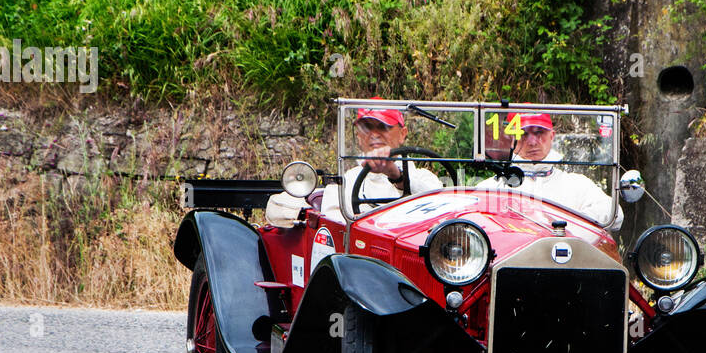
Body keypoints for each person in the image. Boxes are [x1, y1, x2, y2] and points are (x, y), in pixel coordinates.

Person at [265, 107, 443, 225]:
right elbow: (334, 227)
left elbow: (437, 207)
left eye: (382, 127)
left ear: (402, 134)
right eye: (366, 128)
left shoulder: (425, 178)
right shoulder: (346, 181)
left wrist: (394, 173)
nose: (374, 134)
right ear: (359, 137)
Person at [476, 112, 623, 230]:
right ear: (511, 139)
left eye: (539, 132)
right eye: (523, 134)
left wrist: (569, 226)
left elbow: (615, 215)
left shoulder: (577, 184)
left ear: (552, 136)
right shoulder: (490, 189)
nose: (532, 142)